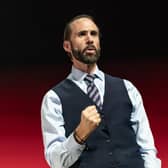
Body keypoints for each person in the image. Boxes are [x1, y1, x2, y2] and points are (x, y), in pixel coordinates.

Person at [41, 14, 161, 168]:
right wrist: (79, 135)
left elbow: (147, 148)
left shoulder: (127, 88)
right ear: (67, 46)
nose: (90, 39)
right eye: (82, 34)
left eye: (94, 34)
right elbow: (56, 162)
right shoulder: (54, 99)